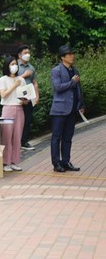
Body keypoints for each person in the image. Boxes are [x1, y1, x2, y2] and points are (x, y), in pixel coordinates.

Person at [50, 45, 84, 173]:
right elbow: (58, 87)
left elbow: (79, 89)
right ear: (62, 57)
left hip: (72, 109)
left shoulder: (75, 70)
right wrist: (72, 82)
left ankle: (66, 161)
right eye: (69, 54)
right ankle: (56, 163)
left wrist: (81, 103)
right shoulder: (56, 71)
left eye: (72, 54)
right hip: (59, 109)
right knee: (56, 137)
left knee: (68, 137)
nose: (72, 56)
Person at [0, 56, 27, 172]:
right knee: (6, 136)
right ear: (7, 66)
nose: (14, 66)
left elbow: (25, 94)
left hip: (19, 108)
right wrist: (14, 85)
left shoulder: (22, 80)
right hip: (8, 108)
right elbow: (3, 95)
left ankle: (15, 161)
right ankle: (6, 162)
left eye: (15, 64)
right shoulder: (3, 79)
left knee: (17, 136)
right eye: (11, 64)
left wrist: (26, 100)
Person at [17, 45, 39, 150]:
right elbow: (11, 81)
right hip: (18, 98)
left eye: (28, 53)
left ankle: (24, 141)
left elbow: (35, 83)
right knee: (18, 120)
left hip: (29, 97)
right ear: (19, 55)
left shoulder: (31, 67)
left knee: (27, 119)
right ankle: (16, 141)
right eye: (25, 53)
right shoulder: (15, 66)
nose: (27, 55)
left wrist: (37, 96)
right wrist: (24, 75)